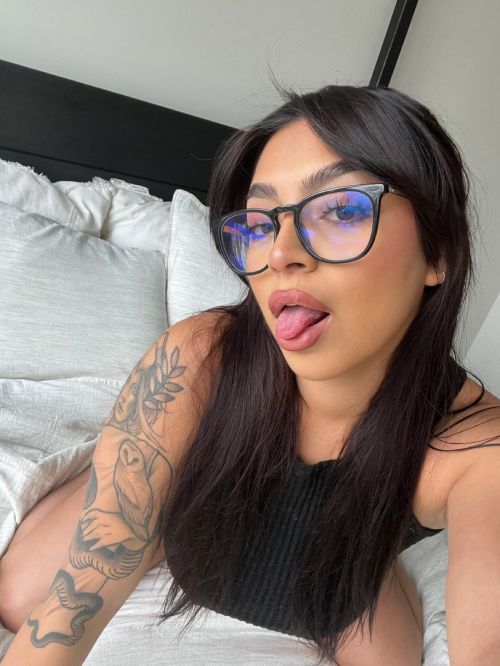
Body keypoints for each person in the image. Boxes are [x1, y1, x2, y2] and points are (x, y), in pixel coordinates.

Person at [1, 84, 500, 666]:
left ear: (438, 252)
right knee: (19, 597)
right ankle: (167, 485)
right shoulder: (199, 359)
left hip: (336, 562)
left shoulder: (474, 447)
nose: (281, 254)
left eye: (341, 210)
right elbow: (71, 607)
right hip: (190, 496)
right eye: (260, 224)